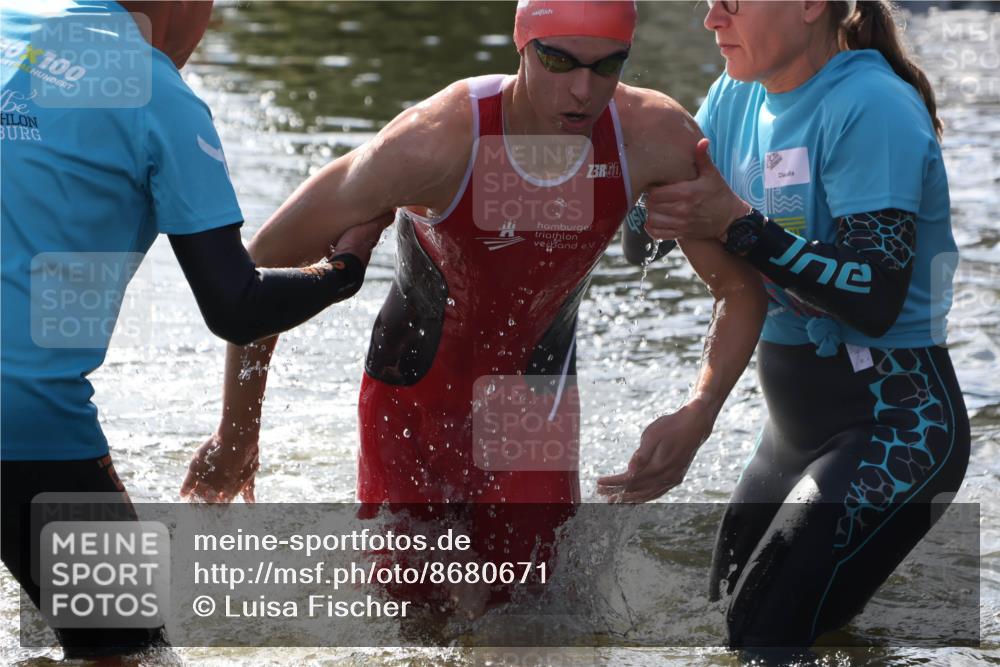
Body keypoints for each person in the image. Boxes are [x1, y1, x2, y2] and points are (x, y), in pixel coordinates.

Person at [181, 0, 764, 551]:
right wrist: (237, 432)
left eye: (607, 65)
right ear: (522, 43)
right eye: (558, 61)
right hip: (412, 399)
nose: (583, 92)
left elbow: (738, 289)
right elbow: (259, 266)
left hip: (532, 406)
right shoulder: (435, 142)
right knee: (414, 629)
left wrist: (700, 412)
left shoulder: (652, 139)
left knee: (535, 627)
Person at [0, 0, 388, 657]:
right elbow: (234, 304)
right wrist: (343, 271)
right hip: (26, 418)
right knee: (132, 651)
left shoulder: (26, 37)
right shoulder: (162, 101)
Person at [598, 0, 971, 651]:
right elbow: (644, 246)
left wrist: (736, 221)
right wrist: (648, 197)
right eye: (707, 1)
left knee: (758, 635)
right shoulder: (732, 96)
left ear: (808, 6)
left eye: (732, 2)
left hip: (896, 428)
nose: (712, 19)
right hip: (790, 434)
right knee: (729, 626)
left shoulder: (871, 108)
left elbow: (875, 294)